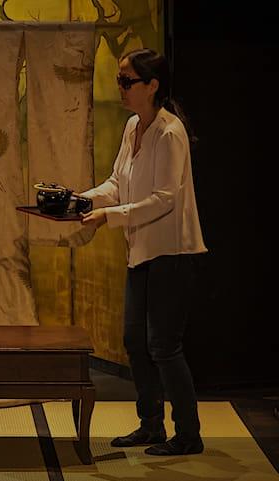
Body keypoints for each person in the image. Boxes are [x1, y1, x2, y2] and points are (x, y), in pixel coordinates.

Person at [79, 49, 207, 456]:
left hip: (172, 251)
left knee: (164, 346)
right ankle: (150, 425)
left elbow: (164, 199)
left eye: (127, 81)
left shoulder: (170, 132)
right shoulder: (134, 125)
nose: (120, 88)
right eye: (119, 80)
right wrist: (82, 201)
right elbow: (118, 183)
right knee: (134, 340)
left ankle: (188, 434)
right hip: (141, 250)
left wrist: (109, 216)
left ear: (152, 85)